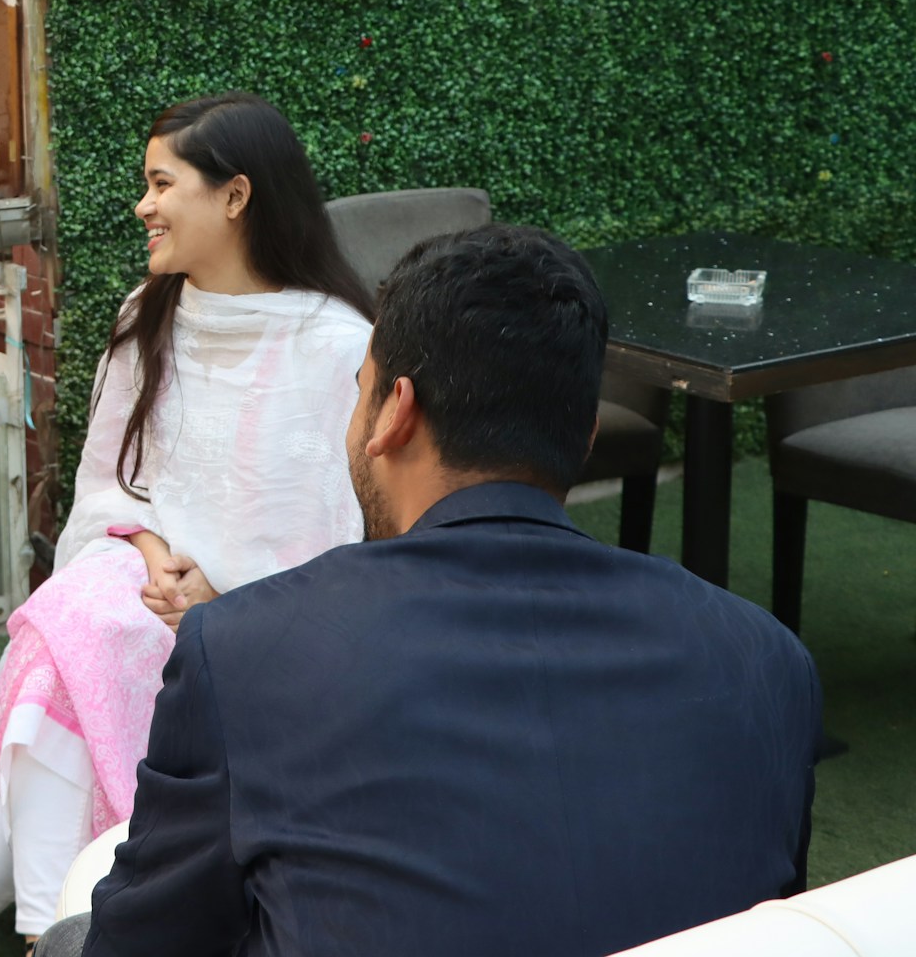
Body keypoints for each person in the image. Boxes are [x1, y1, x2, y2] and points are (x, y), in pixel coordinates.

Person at [45, 225, 822, 957]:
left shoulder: (246, 650)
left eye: (359, 391)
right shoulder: (768, 659)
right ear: (583, 436)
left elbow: (143, 939)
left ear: (395, 413)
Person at [0, 93, 375, 957]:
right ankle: (37, 934)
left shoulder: (338, 346)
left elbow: (340, 539)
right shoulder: (144, 318)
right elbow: (112, 488)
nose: (142, 205)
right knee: (75, 642)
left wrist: (223, 593)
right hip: (140, 581)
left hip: (268, 622)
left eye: (161, 183)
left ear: (235, 196)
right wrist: (154, 555)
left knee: (56, 674)